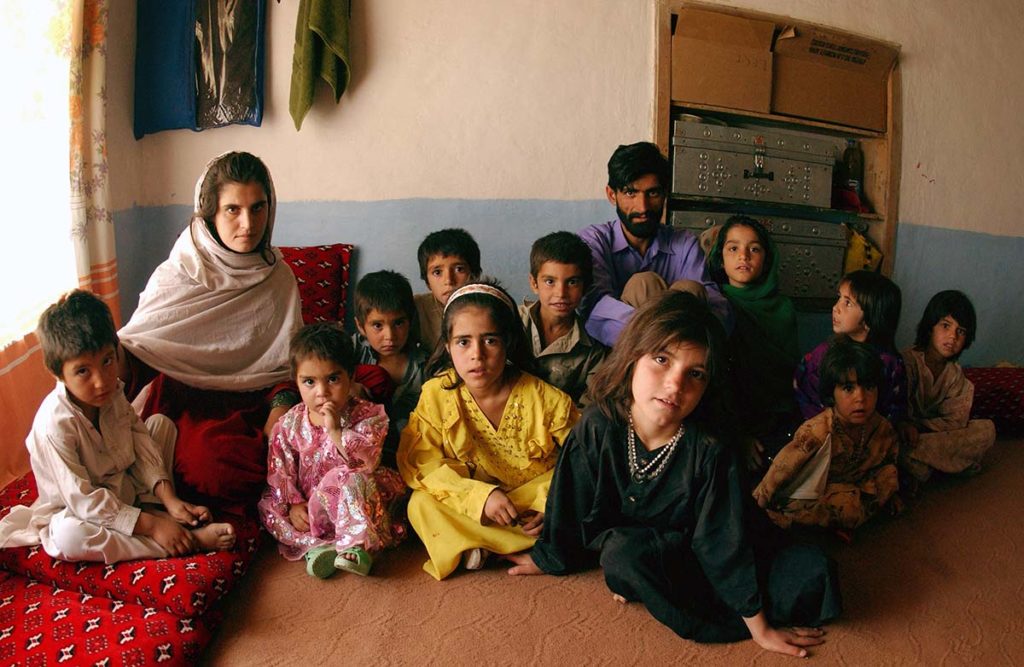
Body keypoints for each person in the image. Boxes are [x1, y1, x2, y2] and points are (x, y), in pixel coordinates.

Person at [507, 292, 840, 656]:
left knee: (813, 571)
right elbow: (571, 497)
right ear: (633, 356)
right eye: (662, 360)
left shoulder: (710, 446)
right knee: (622, 556)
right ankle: (658, 586)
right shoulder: (600, 424)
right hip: (644, 546)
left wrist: (758, 627)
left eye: (695, 373)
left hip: (713, 543)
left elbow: (722, 538)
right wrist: (548, 557)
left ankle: (723, 605)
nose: (674, 385)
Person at [118, 152, 304, 510]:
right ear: (210, 214)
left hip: (251, 402)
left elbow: (287, 363)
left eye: (258, 207)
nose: (249, 224)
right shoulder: (179, 273)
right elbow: (142, 351)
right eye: (233, 210)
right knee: (207, 471)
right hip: (184, 400)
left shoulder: (278, 278)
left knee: (257, 460)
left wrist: (279, 408)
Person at [0, 290, 236, 562]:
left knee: (161, 425)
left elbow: (139, 439)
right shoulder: (54, 426)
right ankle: (188, 540)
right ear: (58, 373)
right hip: (82, 511)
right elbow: (84, 500)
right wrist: (153, 526)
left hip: (127, 488)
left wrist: (170, 499)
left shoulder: (112, 392)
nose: (101, 381)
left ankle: (157, 510)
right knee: (68, 537)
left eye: (107, 361)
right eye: (83, 371)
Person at [397, 281, 579, 580]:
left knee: (576, 507)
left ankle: (479, 545)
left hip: (528, 506)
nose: (477, 355)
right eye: (463, 342)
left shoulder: (546, 399)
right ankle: (508, 548)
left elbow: (582, 462)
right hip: (472, 502)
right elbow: (422, 464)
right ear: (447, 346)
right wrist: (480, 498)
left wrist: (550, 504)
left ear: (508, 342)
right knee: (420, 504)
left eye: (490, 340)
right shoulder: (435, 394)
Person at [258, 324, 406, 578]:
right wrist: (294, 504)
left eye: (333, 379)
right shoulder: (289, 424)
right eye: (309, 382)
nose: (322, 392)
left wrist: (336, 431)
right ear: (297, 382)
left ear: (351, 377)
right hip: (313, 505)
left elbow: (366, 462)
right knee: (270, 507)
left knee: (351, 478)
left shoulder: (369, 416)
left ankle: (357, 547)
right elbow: (280, 469)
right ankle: (317, 548)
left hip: (356, 496)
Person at [578, 142, 729, 346]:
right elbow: (594, 308)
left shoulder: (685, 243)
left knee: (691, 289)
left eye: (653, 193)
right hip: (624, 352)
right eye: (631, 193)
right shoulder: (594, 242)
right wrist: (657, 335)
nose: (643, 207)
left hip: (682, 350)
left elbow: (716, 305)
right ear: (612, 195)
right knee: (643, 284)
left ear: (665, 194)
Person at [754, 338, 899, 536]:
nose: (861, 398)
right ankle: (805, 525)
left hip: (854, 485)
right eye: (848, 388)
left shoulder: (880, 427)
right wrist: (759, 503)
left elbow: (889, 458)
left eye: (869, 387)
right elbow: (783, 467)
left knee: (890, 477)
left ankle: (833, 522)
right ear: (832, 393)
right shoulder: (818, 430)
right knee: (845, 508)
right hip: (815, 490)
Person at [706, 216, 799, 456]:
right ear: (720, 257)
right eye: (733, 248)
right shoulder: (715, 306)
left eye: (754, 249)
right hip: (728, 419)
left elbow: (788, 377)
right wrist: (738, 435)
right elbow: (719, 382)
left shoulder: (783, 309)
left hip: (778, 417)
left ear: (766, 258)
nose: (743, 256)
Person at [899, 290, 995, 484]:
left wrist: (922, 427)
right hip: (905, 436)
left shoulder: (955, 375)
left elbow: (955, 421)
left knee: (987, 430)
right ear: (930, 327)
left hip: (929, 436)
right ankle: (946, 466)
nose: (952, 337)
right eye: (945, 325)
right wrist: (906, 425)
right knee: (892, 443)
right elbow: (897, 409)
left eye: (961, 331)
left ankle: (925, 467)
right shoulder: (907, 362)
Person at [794, 270, 906, 424]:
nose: (836, 308)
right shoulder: (823, 355)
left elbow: (894, 408)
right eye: (839, 298)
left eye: (848, 303)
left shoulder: (889, 364)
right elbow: (806, 395)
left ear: (870, 318)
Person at [352, 270, 429, 467]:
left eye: (398, 323)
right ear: (360, 326)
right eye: (378, 325)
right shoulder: (349, 353)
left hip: (410, 456)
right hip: (357, 456)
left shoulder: (425, 364)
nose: (390, 336)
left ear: (410, 321)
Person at [519, 231, 606, 405]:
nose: (561, 294)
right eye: (550, 281)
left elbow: (589, 408)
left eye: (572, 282)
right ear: (534, 283)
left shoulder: (592, 349)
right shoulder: (510, 322)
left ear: (585, 286)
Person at [413, 228, 481, 349]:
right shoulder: (418, 308)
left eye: (459, 269)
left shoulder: (490, 306)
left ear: (475, 275)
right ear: (427, 282)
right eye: (437, 272)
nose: (449, 280)